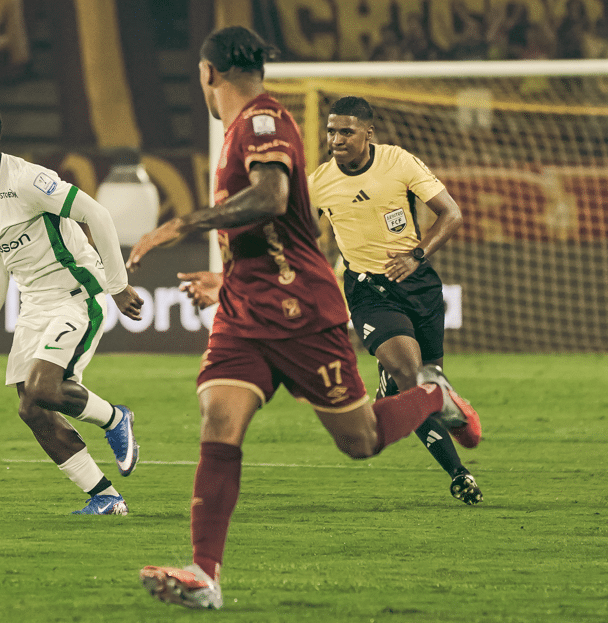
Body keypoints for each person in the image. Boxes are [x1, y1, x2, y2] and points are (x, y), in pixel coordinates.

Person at [128, 26, 481, 610]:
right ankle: (205, 574)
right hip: (246, 310)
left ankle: (430, 398)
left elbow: (269, 199)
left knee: (361, 440)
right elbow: (274, 231)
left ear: (209, 73)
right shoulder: (239, 131)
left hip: (299, 312)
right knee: (219, 418)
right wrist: (225, 278)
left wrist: (183, 224)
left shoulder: (263, 121)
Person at [0, 98, 144, 515]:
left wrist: (117, 285)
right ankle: (105, 496)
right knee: (31, 408)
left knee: (44, 388)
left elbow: (97, 214)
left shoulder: (28, 180)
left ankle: (114, 418)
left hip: (75, 294)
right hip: (34, 304)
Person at [308, 96, 483, 506]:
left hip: (418, 285)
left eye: (346, 131)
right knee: (415, 378)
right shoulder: (318, 182)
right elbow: (300, 234)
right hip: (368, 290)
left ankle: (393, 381)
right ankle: (459, 473)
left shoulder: (398, 162)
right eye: (331, 131)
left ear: (368, 133)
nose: (336, 139)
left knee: (421, 379)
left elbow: (451, 214)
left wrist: (416, 255)